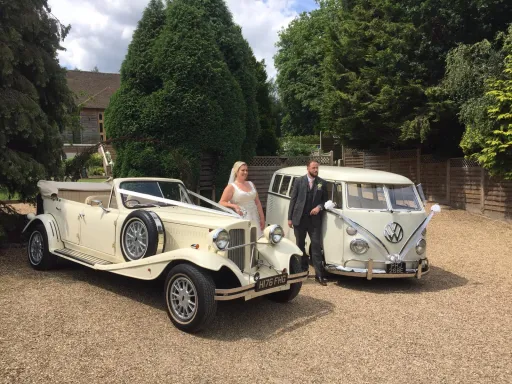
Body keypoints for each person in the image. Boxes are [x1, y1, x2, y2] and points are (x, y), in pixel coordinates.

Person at [287, 160, 328, 286]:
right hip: (299, 218)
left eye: (317, 168)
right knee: (300, 245)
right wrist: (290, 218)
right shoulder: (299, 181)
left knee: (316, 246)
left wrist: (319, 207)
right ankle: (303, 270)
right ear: (308, 168)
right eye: (313, 168)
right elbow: (293, 200)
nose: (316, 170)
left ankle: (319, 275)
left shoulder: (322, 182)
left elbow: (325, 201)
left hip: (314, 221)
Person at [219, 161, 265, 238]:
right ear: (236, 172)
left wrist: (262, 218)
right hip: (242, 218)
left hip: (255, 217)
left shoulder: (251, 184)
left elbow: (257, 202)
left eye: (247, 170)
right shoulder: (231, 187)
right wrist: (233, 205)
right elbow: (222, 202)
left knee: (257, 238)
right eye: (243, 170)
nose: (245, 172)